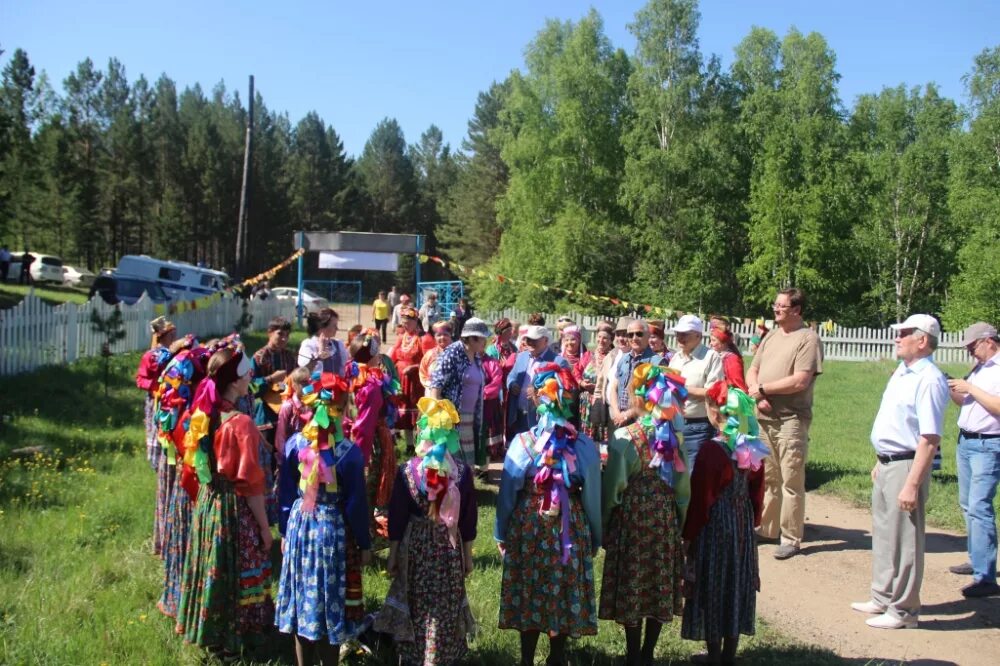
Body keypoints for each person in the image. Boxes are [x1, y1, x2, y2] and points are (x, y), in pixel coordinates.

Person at [496, 364, 602, 666]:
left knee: (529, 588)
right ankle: (557, 657)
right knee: (562, 586)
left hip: (529, 525)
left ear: (536, 399)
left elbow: (508, 494)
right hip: (569, 527)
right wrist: (594, 536)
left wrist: (501, 532)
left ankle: (527, 658)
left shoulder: (523, 443)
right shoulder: (583, 446)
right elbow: (592, 495)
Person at [176, 342, 274, 658]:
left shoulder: (203, 414)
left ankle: (213, 634)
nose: (250, 377)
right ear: (234, 381)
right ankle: (237, 641)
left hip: (209, 502)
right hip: (234, 508)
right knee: (238, 570)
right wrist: (263, 527)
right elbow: (250, 483)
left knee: (213, 567)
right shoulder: (241, 423)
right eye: (246, 372)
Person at [850, 314, 948, 629]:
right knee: (884, 532)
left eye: (904, 333)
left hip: (908, 463)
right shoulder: (903, 372)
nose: (897, 337)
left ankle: (904, 610)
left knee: (906, 537)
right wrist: (881, 460)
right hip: (889, 461)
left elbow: (929, 438)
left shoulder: (929, 378)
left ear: (923, 340)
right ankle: (882, 596)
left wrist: (911, 483)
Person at [276, 369, 372, 666]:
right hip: (332, 531)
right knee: (329, 601)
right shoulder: (349, 453)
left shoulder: (295, 445)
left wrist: (283, 531)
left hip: (300, 527)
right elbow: (355, 504)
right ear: (342, 409)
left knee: (304, 597)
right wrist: (365, 543)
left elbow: (286, 492)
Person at [375, 397, 478, 665]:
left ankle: (414, 655)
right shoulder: (462, 473)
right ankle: (442, 655)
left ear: (423, 431)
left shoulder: (408, 471)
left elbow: (397, 517)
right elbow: (467, 520)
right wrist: (467, 556)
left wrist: (393, 554)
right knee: (445, 602)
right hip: (448, 547)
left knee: (418, 603)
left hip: (417, 549)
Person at [601, 363, 691, 666]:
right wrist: (679, 521)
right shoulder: (674, 439)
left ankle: (633, 653)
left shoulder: (626, 437)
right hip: (663, 516)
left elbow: (613, 487)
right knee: (658, 580)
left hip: (634, 518)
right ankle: (649, 653)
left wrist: (606, 521)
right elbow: (682, 489)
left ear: (638, 396)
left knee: (634, 580)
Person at [682, 382, 767, 664]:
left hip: (716, 525)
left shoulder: (712, 451)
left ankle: (715, 654)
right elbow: (757, 491)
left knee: (715, 583)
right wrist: (751, 520)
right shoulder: (751, 447)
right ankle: (729, 654)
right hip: (741, 522)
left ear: (716, 414)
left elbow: (701, 499)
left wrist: (689, 535)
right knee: (736, 582)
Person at [746, 288, 823, 560]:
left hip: (791, 419)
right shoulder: (771, 337)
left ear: (796, 310)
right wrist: (756, 392)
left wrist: (764, 390)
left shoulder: (808, 339)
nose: (775, 309)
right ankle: (767, 529)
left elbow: (801, 380)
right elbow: (752, 369)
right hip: (764, 417)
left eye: (781, 306)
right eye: (775, 304)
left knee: (791, 480)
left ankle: (791, 537)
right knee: (770, 478)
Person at [946, 322, 1000, 598]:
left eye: (972, 347)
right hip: (966, 441)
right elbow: (965, 402)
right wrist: (953, 388)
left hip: (988, 444)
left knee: (980, 506)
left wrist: (971, 387)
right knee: (968, 504)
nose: (970, 353)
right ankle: (977, 559)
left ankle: (986, 577)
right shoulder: (979, 369)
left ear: (988, 340)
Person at [346, 329, 400, 540]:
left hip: (354, 440)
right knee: (367, 490)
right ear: (370, 356)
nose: (380, 357)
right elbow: (364, 426)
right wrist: (361, 459)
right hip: (369, 444)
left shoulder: (351, 373)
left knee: (365, 492)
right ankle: (364, 540)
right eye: (376, 353)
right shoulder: (369, 386)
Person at [135, 317, 178, 556]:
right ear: (162, 337)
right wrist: (157, 385)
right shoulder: (151, 356)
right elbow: (141, 378)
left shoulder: (173, 355)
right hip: (158, 402)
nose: (172, 338)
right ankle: (158, 456)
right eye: (170, 334)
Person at [426, 318, 489, 468]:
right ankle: (450, 490)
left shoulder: (476, 356)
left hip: (470, 417)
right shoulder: (453, 352)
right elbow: (437, 383)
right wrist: (440, 416)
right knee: (450, 460)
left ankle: (463, 489)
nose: (485, 342)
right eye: (482, 338)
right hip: (452, 418)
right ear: (472, 338)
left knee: (466, 461)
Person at [668, 315, 724, 473]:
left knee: (693, 476)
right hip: (674, 425)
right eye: (678, 333)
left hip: (698, 427)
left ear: (698, 336)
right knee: (675, 475)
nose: (680, 337)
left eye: (685, 334)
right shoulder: (675, 358)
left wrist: (681, 387)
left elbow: (714, 392)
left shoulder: (711, 357)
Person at [506, 325, 569, 436]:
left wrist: (539, 393)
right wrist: (512, 384)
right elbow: (511, 376)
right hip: (518, 416)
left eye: (534, 339)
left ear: (545, 340)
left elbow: (563, 395)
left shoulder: (559, 362)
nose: (530, 342)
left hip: (541, 421)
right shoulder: (521, 356)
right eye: (528, 339)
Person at [609, 320, 662, 429]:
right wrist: (617, 413)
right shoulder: (624, 359)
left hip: (643, 423)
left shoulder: (657, 362)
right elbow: (613, 388)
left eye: (639, 334)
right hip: (619, 420)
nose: (634, 338)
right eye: (630, 335)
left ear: (648, 336)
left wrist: (627, 415)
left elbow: (654, 398)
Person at [251, 317, 297, 444]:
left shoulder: (289, 357)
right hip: (266, 417)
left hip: (288, 414)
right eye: (280, 334)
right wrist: (270, 379)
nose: (284, 339)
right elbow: (250, 388)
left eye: (287, 335)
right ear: (269, 332)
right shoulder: (259, 357)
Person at [390, 306, 426, 450]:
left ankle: (421, 444)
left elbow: (427, 360)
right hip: (401, 379)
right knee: (403, 410)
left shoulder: (422, 339)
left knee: (415, 411)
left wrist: (414, 367)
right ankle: (409, 445)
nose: (405, 325)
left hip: (415, 381)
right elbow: (392, 356)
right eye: (403, 322)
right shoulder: (401, 337)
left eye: (408, 322)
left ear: (416, 321)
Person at [581, 321, 615, 443]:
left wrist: (599, 387)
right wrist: (582, 383)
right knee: (587, 439)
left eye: (605, 338)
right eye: (599, 337)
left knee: (602, 438)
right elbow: (575, 373)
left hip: (603, 403)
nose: (601, 340)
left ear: (611, 340)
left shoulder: (614, 357)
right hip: (586, 404)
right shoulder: (588, 355)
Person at [298, 308, 348, 375]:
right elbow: (305, 371)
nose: (337, 328)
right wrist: (321, 352)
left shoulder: (338, 344)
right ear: (321, 327)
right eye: (334, 325)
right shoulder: (308, 345)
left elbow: (342, 371)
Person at [708, 327, 748, 391]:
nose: (710, 343)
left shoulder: (732, 359)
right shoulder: (717, 356)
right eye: (711, 340)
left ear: (723, 342)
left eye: (713, 340)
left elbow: (737, 384)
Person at [419, 320, 454, 389]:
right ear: (434, 337)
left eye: (445, 334)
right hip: (432, 392)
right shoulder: (429, 355)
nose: (442, 337)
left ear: (450, 335)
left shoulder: (458, 353)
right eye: (439, 335)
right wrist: (430, 385)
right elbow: (422, 373)